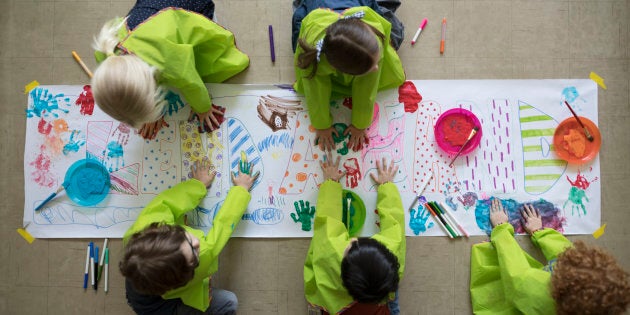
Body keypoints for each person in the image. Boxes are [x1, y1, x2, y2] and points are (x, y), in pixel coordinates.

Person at [91, 0, 249, 139]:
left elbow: (191, 83)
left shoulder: (169, 63)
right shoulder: (107, 52)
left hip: (192, 8)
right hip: (152, 8)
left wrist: (203, 108)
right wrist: (150, 113)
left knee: (209, 61)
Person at [120, 160, 258, 315]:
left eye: (186, 239)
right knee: (229, 302)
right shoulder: (203, 257)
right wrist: (240, 190)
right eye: (193, 253)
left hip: (141, 286)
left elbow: (169, 202)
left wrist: (198, 185)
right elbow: (222, 229)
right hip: (158, 308)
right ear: (186, 276)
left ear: (166, 229)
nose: (197, 242)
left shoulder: (147, 224)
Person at [470, 198, 630, 315]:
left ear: (559, 288)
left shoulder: (536, 291)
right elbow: (566, 252)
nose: (566, 259)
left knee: (494, 271)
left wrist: (501, 229)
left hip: (521, 300)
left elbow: (514, 271)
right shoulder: (593, 306)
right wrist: (539, 232)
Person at [292, 4, 405, 152]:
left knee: (396, 34)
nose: (376, 68)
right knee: (298, 43)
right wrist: (321, 125)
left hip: (358, 4)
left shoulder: (373, 40)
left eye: (375, 63)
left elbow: (366, 90)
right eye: (371, 67)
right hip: (317, 10)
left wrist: (360, 124)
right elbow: (315, 92)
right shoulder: (314, 53)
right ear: (339, 70)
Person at [304, 153, 406, 314]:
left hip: (336, 305)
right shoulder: (392, 251)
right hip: (379, 302)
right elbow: (395, 223)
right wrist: (387, 186)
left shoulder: (330, 254)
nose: (352, 240)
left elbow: (327, 220)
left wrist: (331, 183)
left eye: (350, 247)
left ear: (342, 272)